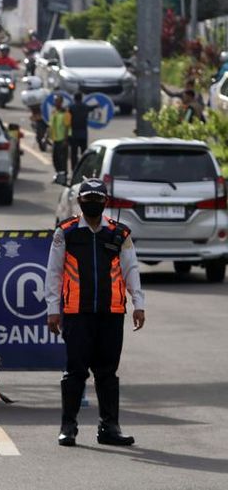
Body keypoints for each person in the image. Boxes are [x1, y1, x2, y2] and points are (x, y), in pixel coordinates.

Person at [45, 179, 145, 447]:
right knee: (75, 372)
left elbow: (131, 269)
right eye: (88, 198)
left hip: (111, 313)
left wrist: (139, 304)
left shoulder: (119, 234)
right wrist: (53, 310)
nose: (93, 202)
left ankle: (109, 428)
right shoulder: (65, 232)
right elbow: (53, 273)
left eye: (98, 198)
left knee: (107, 373)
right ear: (79, 202)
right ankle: (68, 427)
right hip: (77, 313)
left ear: (106, 202)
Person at [68, 92, 100, 169]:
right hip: (83, 134)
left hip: (74, 133)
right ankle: (83, 168)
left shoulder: (71, 107)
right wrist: (97, 105)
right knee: (84, 152)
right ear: (81, 98)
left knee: (74, 153)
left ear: (74, 98)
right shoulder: (85, 107)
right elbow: (92, 107)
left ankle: (74, 168)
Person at [49, 95, 71, 174]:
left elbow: (67, 127)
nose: (55, 102)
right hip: (55, 139)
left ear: (61, 102)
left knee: (62, 160)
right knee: (55, 159)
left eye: (57, 101)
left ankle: (63, 175)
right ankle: (58, 174)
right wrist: (46, 136)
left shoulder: (65, 113)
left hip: (62, 140)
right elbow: (50, 125)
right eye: (55, 101)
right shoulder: (54, 112)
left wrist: (65, 140)